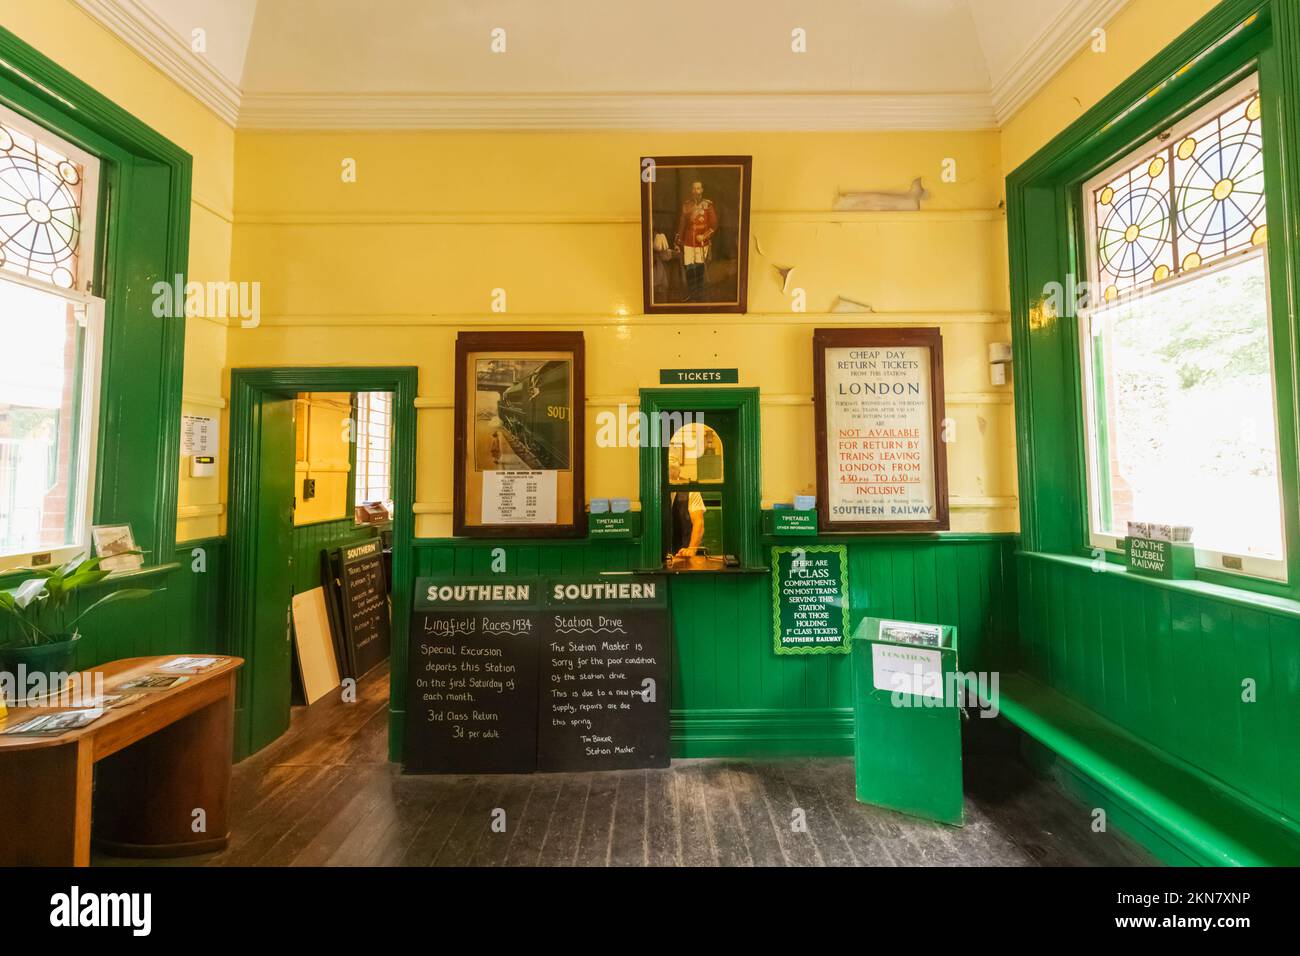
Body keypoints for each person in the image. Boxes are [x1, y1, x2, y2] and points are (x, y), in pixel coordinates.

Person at [674, 180, 717, 301]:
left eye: (698, 189)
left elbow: (714, 225)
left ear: (702, 190)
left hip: (701, 242)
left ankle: (699, 294)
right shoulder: (687, 205)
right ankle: (691, 294)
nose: (696, 191)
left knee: (699, 267)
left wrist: (704, 236)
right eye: (694, 189)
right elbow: (682, 224)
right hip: (688, 241)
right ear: (691, 191)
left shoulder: (708, 205)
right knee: (689, 267)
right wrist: (678, 242)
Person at [668, 458, 706, 557]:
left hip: (683, 552)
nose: (669, 472)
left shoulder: (691, 491)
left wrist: (692, 549)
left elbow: (699, 523)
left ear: (679, 472)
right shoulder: (655, 491)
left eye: (673, 469)